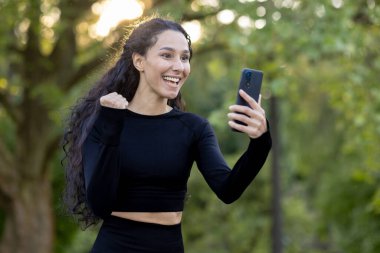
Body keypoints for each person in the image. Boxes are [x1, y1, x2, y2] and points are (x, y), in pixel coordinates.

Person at [62, 17, 272, 253]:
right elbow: (100, 204)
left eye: (184, 57)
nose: (179, 66)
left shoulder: (194, 128)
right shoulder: (106, 120)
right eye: (167, 55)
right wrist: (111, 125)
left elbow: (228, 189)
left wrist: (261, 142)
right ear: (139, 61)